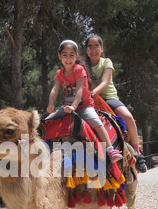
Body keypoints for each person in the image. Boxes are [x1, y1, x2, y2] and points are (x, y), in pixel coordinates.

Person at [46, 39, 123, 163]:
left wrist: (74, 106)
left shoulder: (79, 69)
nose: (68, 58)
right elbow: (55, 89)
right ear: (59, 56)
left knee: (96, 122)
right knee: (48, 119)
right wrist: (51, 104)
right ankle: (39, 143)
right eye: (65, 55)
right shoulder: (60, 73)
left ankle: (110, 149)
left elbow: (80, 89)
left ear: (76, 56)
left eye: (71, 55)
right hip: (68, 107)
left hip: (84, 106)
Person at [84, 34, 147, 173]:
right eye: (90, 46)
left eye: (96, 46)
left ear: (102, 48)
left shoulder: (106, 62)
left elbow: (105, 82)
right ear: (86, 49)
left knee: (128, 117)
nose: (93, 50)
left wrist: (92, 93)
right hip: (88, 99)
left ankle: (137, 152)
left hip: (107, 97)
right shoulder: (82, 65)